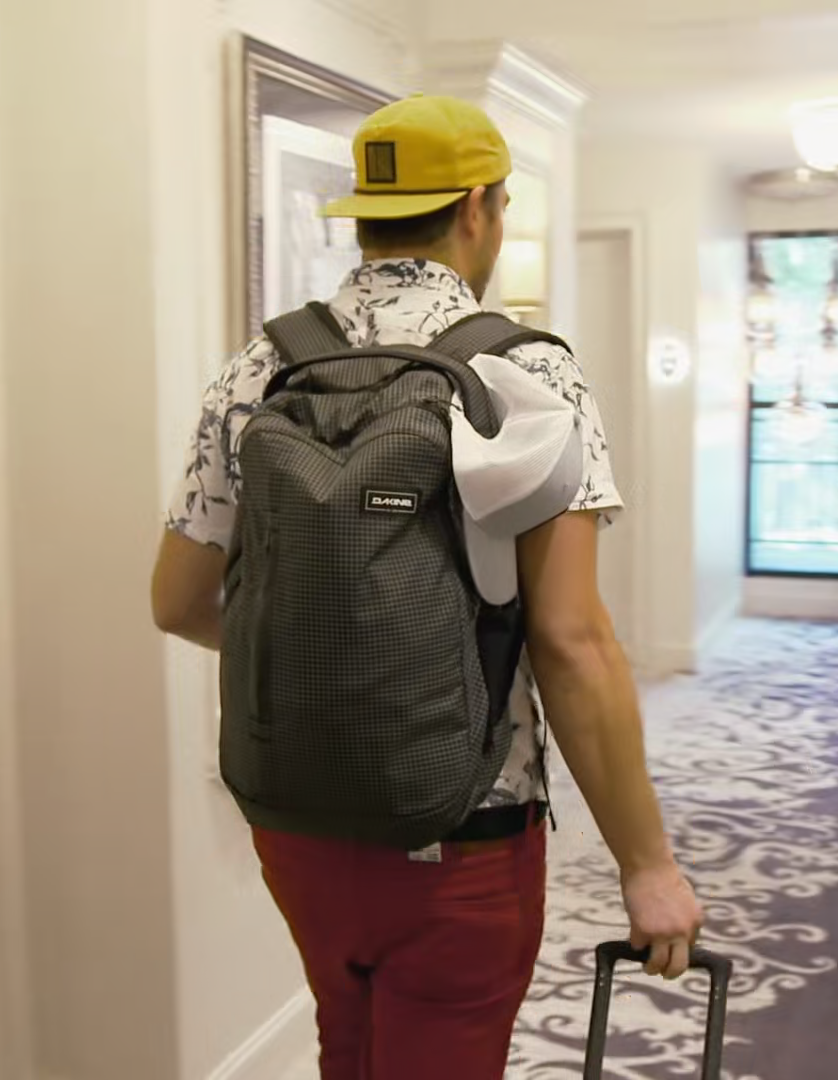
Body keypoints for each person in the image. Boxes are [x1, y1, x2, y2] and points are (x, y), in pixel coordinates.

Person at [150, 93, 703, 1079]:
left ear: (363, 216)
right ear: (481, 207)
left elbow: (178, 603)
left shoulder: (255, 370)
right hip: (463, 822)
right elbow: (571, 643)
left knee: (349, 1038)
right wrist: (647, 865)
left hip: (293, 812)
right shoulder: (528, 378)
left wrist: (333, 647)